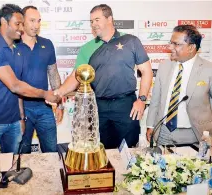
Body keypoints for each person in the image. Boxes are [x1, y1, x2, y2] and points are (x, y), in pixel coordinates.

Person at [54, 4, 153, 149]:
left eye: (97, 20)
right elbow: (76, 76)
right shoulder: (87, 48)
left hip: (126, 105)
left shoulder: (131, 41)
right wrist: (58, 93)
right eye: (91, 21)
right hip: (99, 106)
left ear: (110, 19)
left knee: (129, 151)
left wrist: (142, 100)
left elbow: (147, 72)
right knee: (103, 152)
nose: (94, 24)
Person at [0, 4, 60, 154]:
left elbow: (20, 88)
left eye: (38, 21)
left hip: (18, 118)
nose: (22, 28)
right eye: (19, 23)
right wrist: (44, 95)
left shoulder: (15, 50)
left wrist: (21, 117)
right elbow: (16, 86)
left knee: (16, 165)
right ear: (4, 22)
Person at [146, 25, 212, 146]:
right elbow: (155, 99)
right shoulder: (164, 66)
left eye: (176, 44)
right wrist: (150, 125)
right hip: (163, 132)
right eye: (170, 43)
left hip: (194, 134)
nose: (170, 47)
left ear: (191, 47)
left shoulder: (209, 69)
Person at [18, 6, 63, 153]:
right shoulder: (13, 46)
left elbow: (53, 74)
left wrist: (60, 104)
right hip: (21, 109)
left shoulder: (47, 44)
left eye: (38, 21)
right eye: (32, 21)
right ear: (22, 21)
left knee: (51, 152)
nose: (36, 25)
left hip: (45, 107)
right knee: (21, 155)